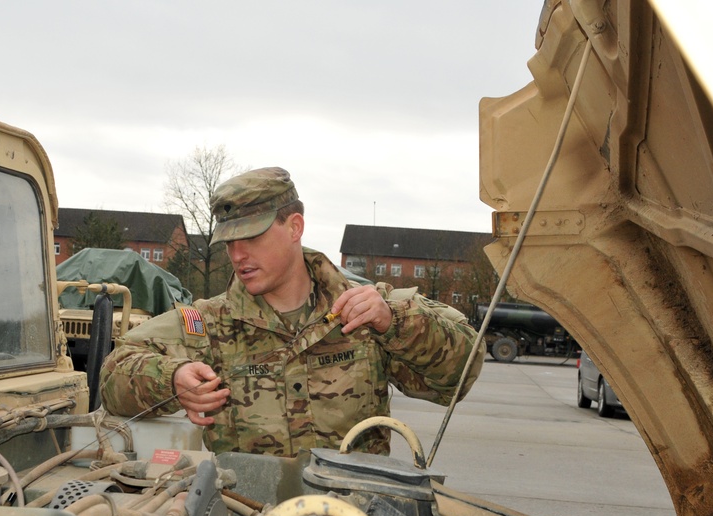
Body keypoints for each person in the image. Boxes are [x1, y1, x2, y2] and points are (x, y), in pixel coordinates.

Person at [100, 167, 484, 456]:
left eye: (251, 237)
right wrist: (172, 378)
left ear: (295, 226)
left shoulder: (368, 311)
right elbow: (112, 377)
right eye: (230, 243)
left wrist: (394, 324)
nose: (237, 255)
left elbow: (460, 374)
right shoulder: (209, 325)